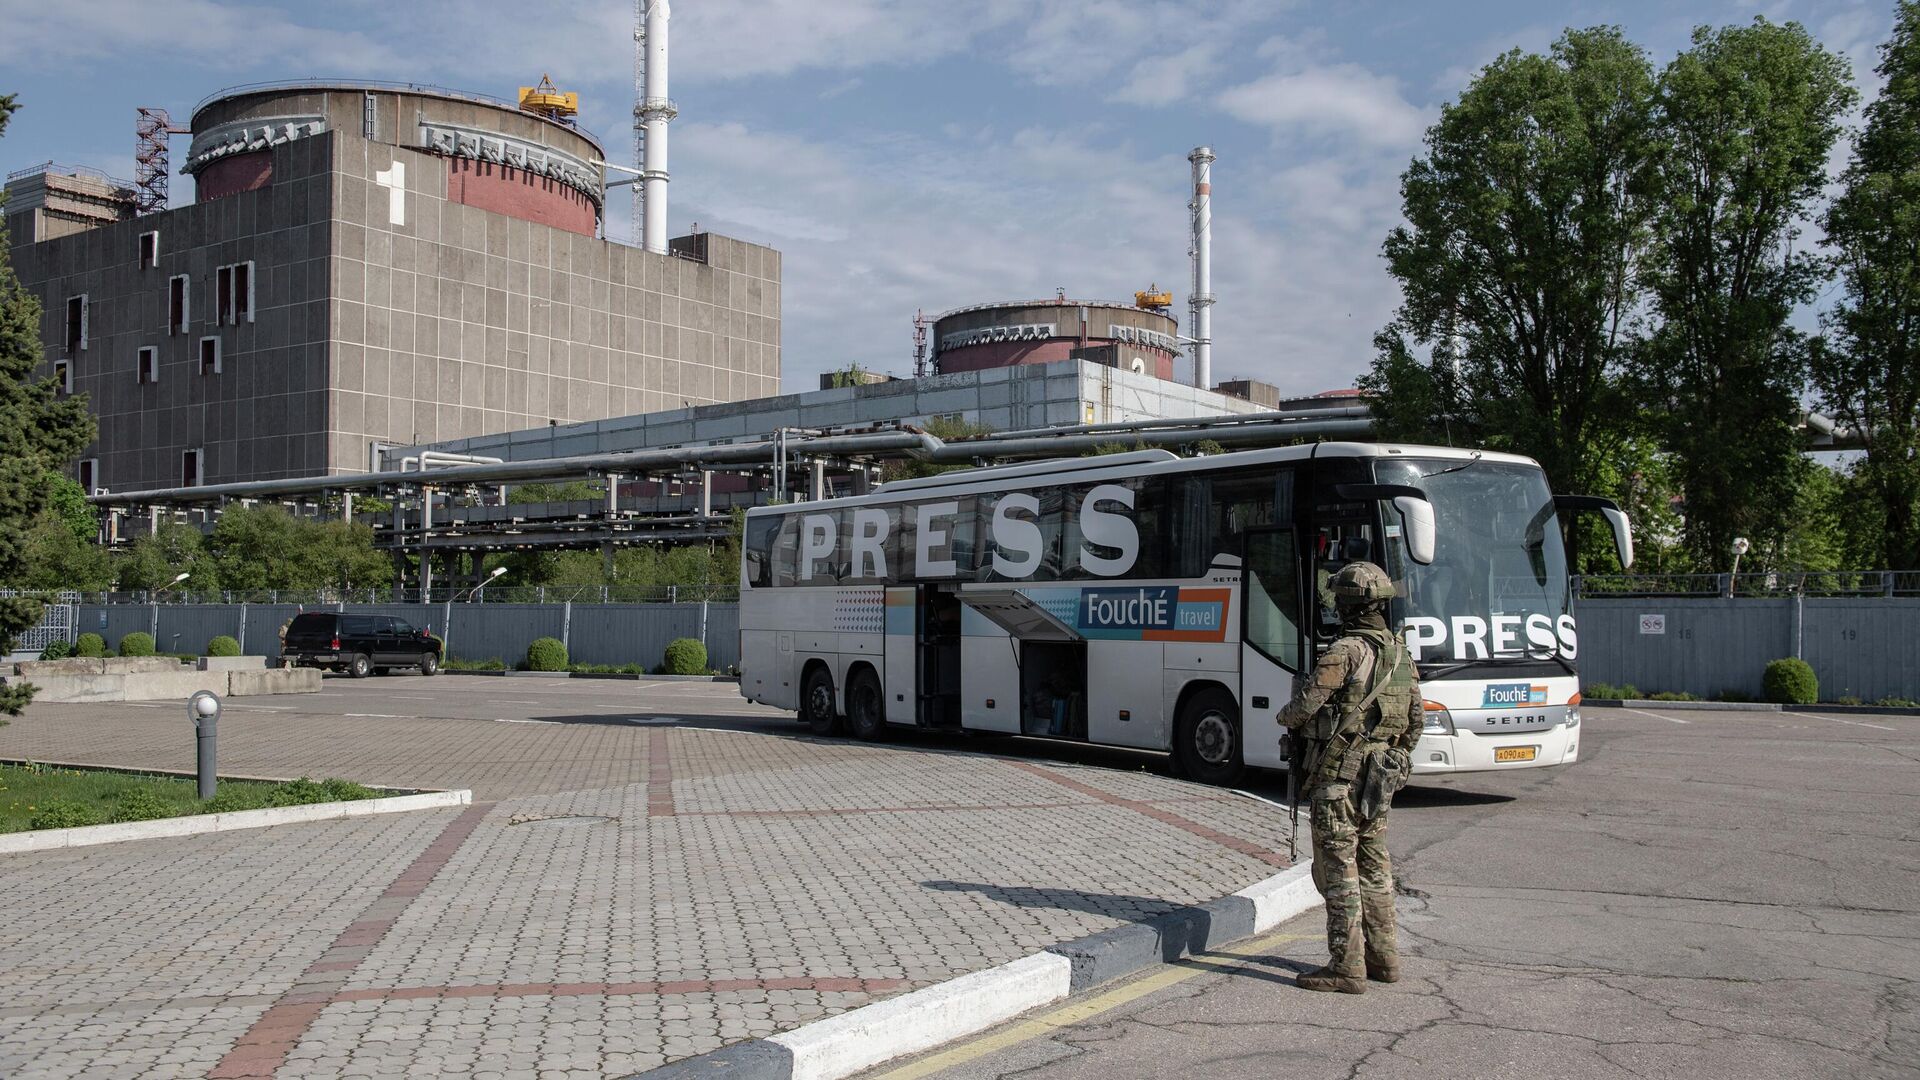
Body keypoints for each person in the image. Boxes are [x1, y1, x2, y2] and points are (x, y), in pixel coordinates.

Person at [1277, 560, 1422, 994]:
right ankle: (1385, 960)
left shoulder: (1345, 651)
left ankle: (1347, 967)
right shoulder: (1401, 655)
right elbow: (1414, 725)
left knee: (1340, 872)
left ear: (1346, 605)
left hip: (1340, 780)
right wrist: (1385, 758)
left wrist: (1285, 716)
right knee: (1375, 868)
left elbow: (1301, 710)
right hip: (1379, 781)